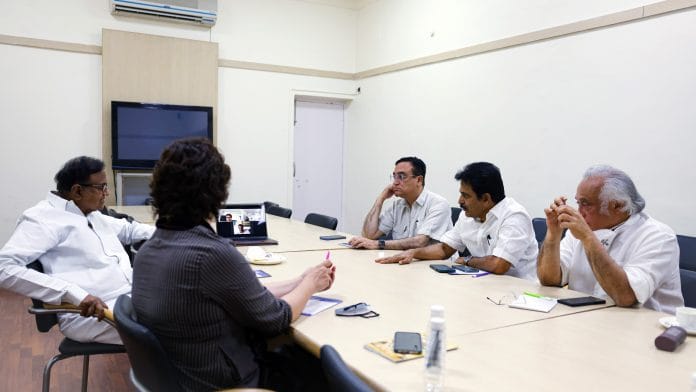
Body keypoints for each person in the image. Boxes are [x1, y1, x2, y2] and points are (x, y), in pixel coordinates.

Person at [131, 138, 336, 391]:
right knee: (321, 368)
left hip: (182, 374)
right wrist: (310, 286)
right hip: (226, 382)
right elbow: (276, 319)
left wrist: (301, 280)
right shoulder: (212, 254)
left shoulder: (148, 249)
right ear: (217, 192)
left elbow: (246, 296)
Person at [0, 156, 154, 344]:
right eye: (101, 188)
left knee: (188, 306)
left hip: (129, 298)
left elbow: (130, 230)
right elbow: (4, 267)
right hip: (93, 314)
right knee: (183, 321)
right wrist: (74, 294)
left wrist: (184, 232)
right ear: (77, 191)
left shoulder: (88, 212)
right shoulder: (43, 219)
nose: (106, 193)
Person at [537, 165, 683, 313]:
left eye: (586, 204)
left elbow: (625, 297)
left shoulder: (658, 237)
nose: (579, 212)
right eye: (578, 203)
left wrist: (588, 238)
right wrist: (553, 234)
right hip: (588, 319)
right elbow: (549, 279)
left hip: (648, 329)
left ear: (618, 206)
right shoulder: (584, 227)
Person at [376, 162, 538, 281]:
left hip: (519, 293)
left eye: (466, 196)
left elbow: (499, 265)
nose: (460, 201)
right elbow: (444, 249)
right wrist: (413, 253)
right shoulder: (468, 215)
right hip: (482, 285)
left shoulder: (514, 216)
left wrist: (467, 260)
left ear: (486, 199)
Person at [349, 156, 452, 250]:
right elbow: (368, 235)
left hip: (435, 266)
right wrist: (380, 199)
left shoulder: (438, 204)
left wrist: (378, 244)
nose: (395, 182)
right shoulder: (397, 206)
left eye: (401, 177)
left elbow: (420, 242)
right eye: (394, 176)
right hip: (405, 262)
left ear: (419, 180)